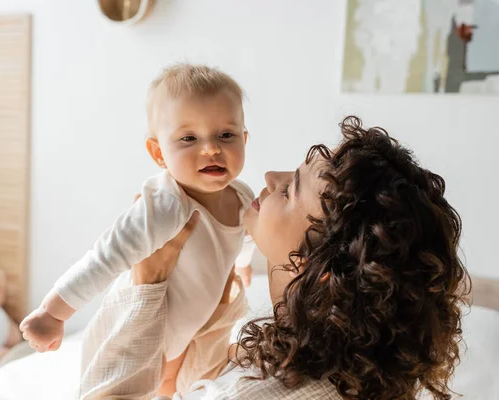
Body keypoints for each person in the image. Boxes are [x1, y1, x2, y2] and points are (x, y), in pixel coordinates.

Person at [75, 116, 470, 400]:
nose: (269, 177)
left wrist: (146, 280)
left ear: (323, 269)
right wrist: (213, 311)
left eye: (290, 190)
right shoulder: (341, 371)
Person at [19, 64, 255, 396]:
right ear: (159, 153)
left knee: (174, 384)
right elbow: (104, 258)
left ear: (244, 139)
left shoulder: (242, 196)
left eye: (226, 135)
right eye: (189, 138)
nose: (211, 149)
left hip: (192, 326)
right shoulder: (166, 206)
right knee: (134, 386)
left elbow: (245, 236)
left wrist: (243, 263)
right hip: (148, 324)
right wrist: (52, 312)